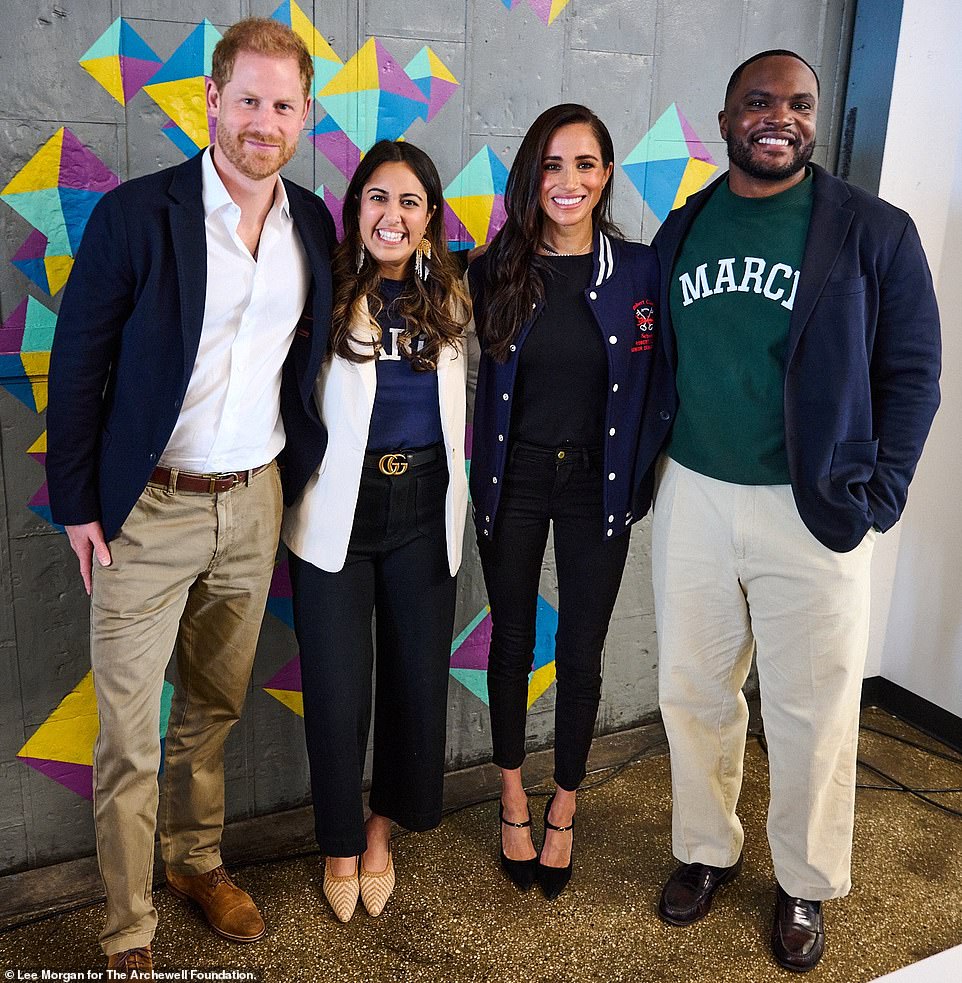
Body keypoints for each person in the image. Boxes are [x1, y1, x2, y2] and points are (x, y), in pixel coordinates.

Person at [45, 18, 335, 974]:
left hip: (254, 502)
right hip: (147, 511)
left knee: (212, 707)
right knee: (128, 735)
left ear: (304, 116)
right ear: (212, 102)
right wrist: (79, 505)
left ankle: (195, 862)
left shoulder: (315, 224)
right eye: (247, 99)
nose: (263, 120)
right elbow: (78, 358)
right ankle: (128, 927)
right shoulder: (139, 214)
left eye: (282, 105)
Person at [651, 50, 940, 971]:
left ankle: (806, 879)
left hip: (810, 506)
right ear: (728, 115)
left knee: (812, 706)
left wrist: (879, 493)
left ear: (815, 121)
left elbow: (914, 374)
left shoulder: (871, 231)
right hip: (693, 490)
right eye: (760, 102)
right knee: (693, 691)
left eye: (799, 104)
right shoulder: (685, 224)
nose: (781, 116)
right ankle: (706, 850)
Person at [469, 104, 673, 900]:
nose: (569, 182)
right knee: (512, 639)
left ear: (607, 174)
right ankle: (512, 796)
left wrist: (649, 468)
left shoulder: (640, 270)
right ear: (532, 175)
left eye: (585, 165)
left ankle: (565, 804)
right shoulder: (494, 267)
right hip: (513, 479)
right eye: (553, 165)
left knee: (582, 648)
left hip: (600, 485)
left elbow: (664, 380)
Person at [282, 139, 472, 923]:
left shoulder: (456, 295)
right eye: (378, 198)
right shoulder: (318, 286)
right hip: (336, 509)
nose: (392, 215)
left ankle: (380, 828)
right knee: (333, 688)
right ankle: (337, 842)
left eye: (410, 202)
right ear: (355, 207)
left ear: (428, 221)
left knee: (414, 680)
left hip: (425, 508)